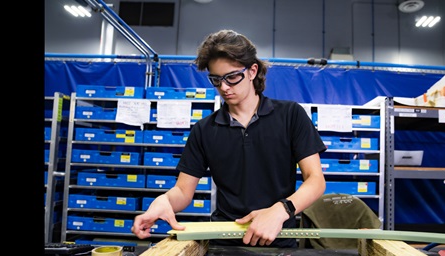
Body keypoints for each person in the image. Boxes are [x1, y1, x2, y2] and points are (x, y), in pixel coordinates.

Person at [132, 29, 327, 248]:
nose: (224, 87)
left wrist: (280, 210)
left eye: (232, 77)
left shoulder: (290, 115)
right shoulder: (204, 130)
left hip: (279, 239)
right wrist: (164, 201)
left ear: (253, 71)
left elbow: (316, 180)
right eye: (216, 80)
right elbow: (183, 191)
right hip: (224, 242)